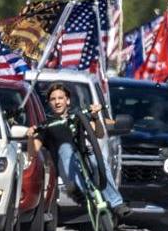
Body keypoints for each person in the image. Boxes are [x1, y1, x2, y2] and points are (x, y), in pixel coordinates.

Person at [39, 83, 128, 221]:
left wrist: (96, 117)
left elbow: (98, 134)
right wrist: (32, 134)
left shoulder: (78, 115)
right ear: (49, 103)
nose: (57, 102)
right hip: (64, 169)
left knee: (96, 158)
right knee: (65, 149)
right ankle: (86, 195)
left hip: (83, 155)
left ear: (67, 100)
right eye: (53, 99)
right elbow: (35, 149)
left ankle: (117, 204)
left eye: (60, 98)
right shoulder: (46, 124)